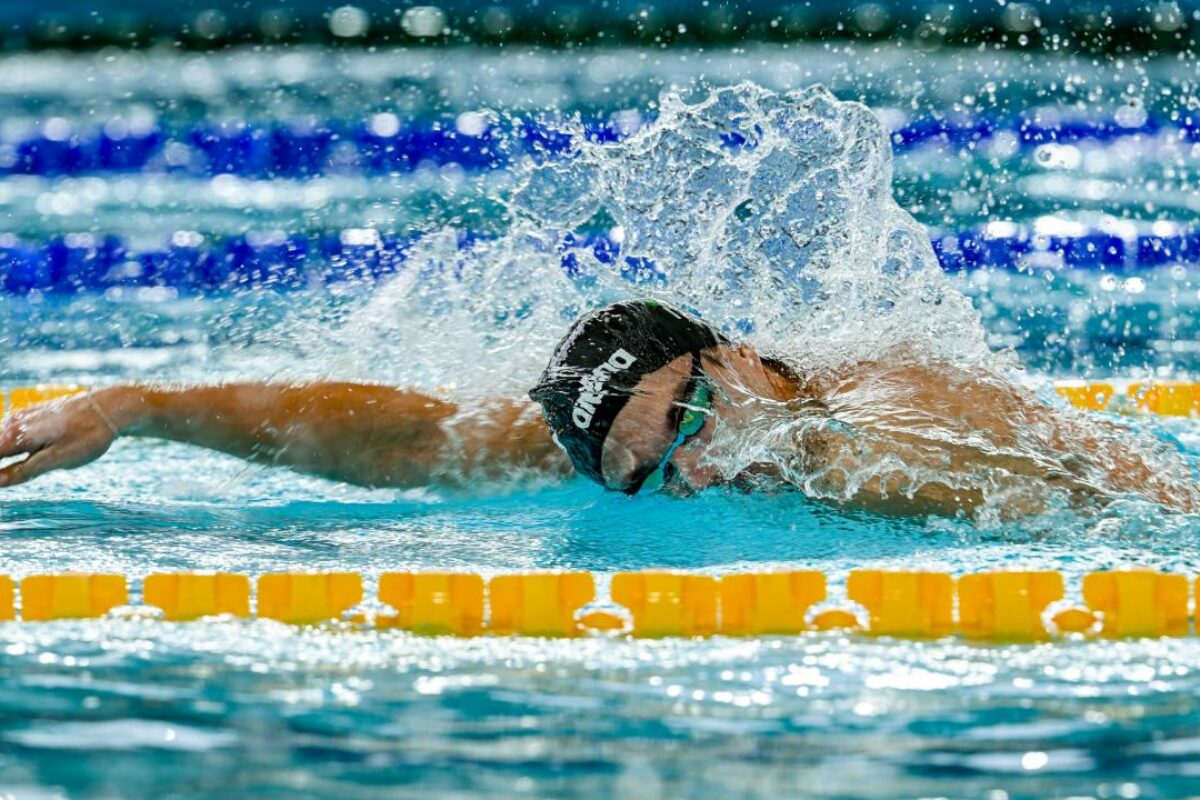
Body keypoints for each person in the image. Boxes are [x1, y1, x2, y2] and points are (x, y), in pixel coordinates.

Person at [0, 299, 1194, 517]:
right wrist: (137, 404)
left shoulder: (885, 437)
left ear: (738, 358)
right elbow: (414, 436)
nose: (696, 472)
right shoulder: (635, 439)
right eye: (647, 475)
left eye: (691, 427)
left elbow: (1139, 493)